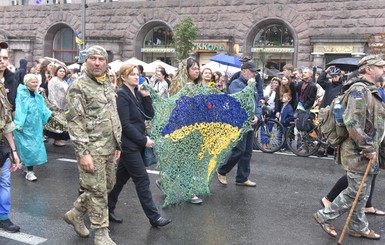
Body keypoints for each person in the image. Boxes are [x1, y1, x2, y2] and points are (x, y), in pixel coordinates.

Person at [313, 55, 385, 240]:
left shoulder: (371, 90)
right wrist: (368, 147)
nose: (384, 70)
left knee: (362, 192)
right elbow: (352, 122)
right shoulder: (359, 91)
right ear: (368, 69)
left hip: (366, 150)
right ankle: (324, 216)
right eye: (381, 66)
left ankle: (357, 226)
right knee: (356, 191)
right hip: (357, 151)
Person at [63, 45, 122, 245]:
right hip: (92, 148)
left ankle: (76, 212)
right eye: (93, 58)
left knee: (107, 186)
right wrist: (83, 153)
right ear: (86, 61)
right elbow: (75, 123)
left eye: (101, 59)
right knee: (97, 192)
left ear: (106, 63)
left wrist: (116, 144)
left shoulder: (107, 83)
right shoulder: (78, 87)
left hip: (108, 146)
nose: (97, 62)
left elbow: (112, 115)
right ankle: (101, 234)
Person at [107, 64, 171, 227]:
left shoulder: (136, 93)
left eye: (137, 74)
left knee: (119, 180)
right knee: (142, 180)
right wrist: (144, 140)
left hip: (136, 143)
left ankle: (106, 209)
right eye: (132, 74)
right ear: (123, 77)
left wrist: (146, 96)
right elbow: (125, 124)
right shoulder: (122, 94)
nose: (137, 77)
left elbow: (149, 115)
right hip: (129, 145)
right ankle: (154, 217)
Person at [216, 62, 260, 187]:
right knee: (239, 150)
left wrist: (257, 115)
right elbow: (240, 101)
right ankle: (222, 170)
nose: (254, 74)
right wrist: (249, 87)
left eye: (255, 72)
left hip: (250, 122)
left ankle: (242, 178)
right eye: (252, 72)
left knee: (247, 152)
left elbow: (256, 102)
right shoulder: (236, 84)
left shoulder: (252, 85)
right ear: (244, 71)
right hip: (239, 122)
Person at [14, 74, 52, 181]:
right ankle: (30, 171)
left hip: (35, 127)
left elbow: (43, 108)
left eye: (36, 82)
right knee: (28, 148)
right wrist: (19, 124)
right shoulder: (22, 94)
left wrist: (47, 116)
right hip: (25, 127)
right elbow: (20, 110)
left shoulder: (37, 94)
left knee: (34, 147)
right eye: (32, 82)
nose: (35, 84)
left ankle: (26, 164)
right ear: (26, 83)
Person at [0, 41, 21, 233]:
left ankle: (3, 217)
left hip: (3, 142)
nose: (1, 61)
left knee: (5, 180)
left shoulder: (12, 80)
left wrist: (14, 151)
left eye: (5, 57)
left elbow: (7, 119)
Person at [46, 65, 70, 146]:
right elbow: (51, 92)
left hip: (63, 105)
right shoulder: (54, 80)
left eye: (63, 71)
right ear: (57, 72)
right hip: (56, 105)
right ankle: (56, 139)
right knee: (57, 122)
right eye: (60, 71)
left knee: (61, 123)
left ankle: (58, 139)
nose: (62, 73)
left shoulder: (64, 81)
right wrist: (53, 104)